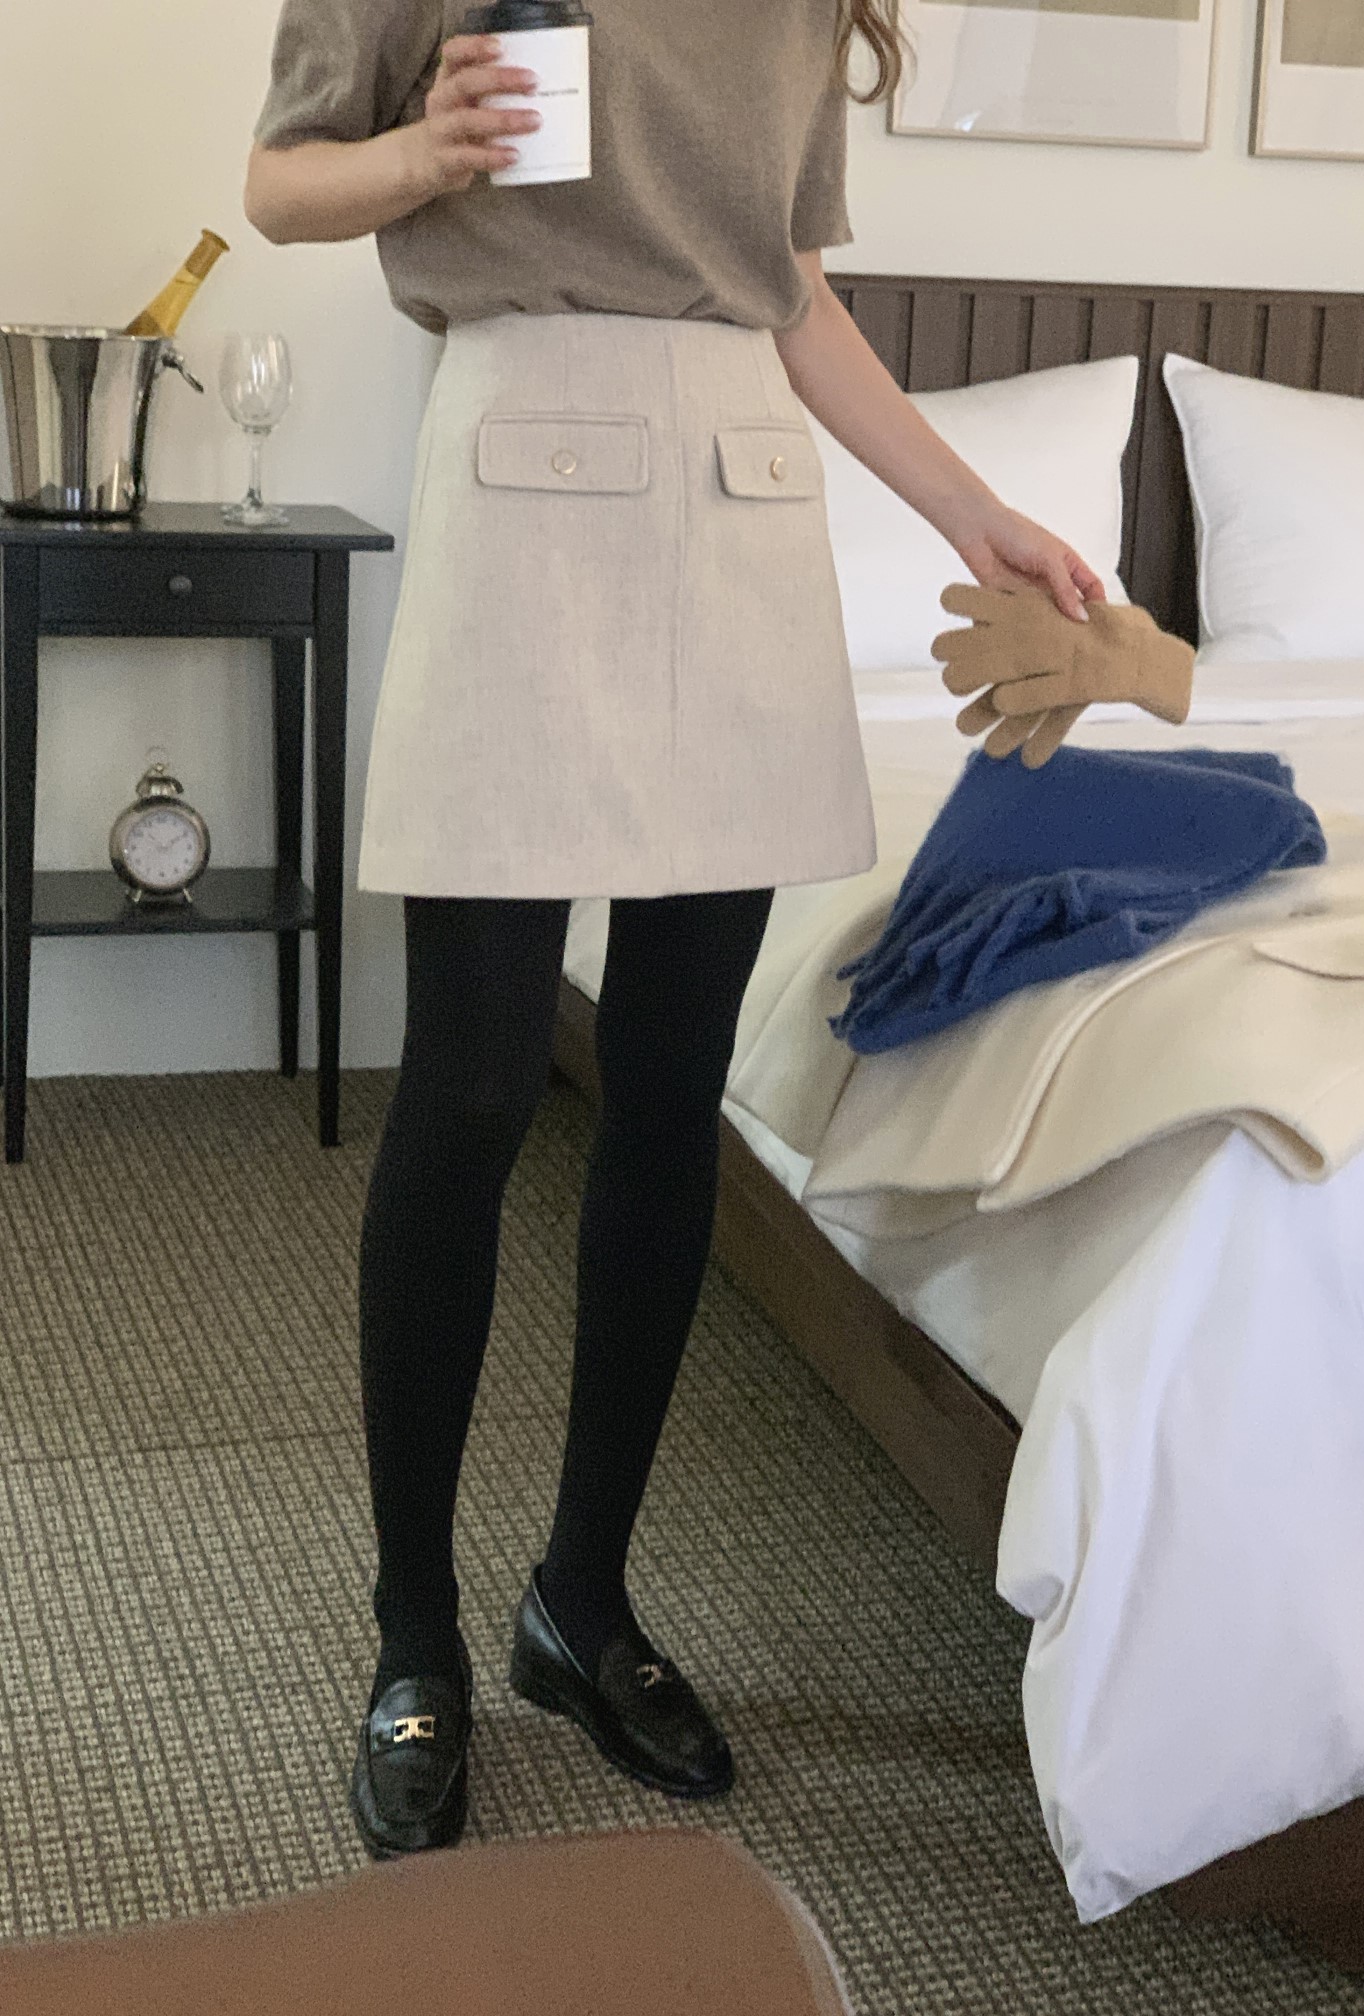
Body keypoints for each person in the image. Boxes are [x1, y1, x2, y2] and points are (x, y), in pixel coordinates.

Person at [244, 0, 1106, 1861]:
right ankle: (415, 1633)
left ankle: (582, 1600)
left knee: (666, 1101)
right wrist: (423, 155)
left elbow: (787, 293)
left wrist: (977, 516)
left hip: (740, 513)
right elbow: (280, 184)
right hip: (519, 482)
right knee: (472, 1093)